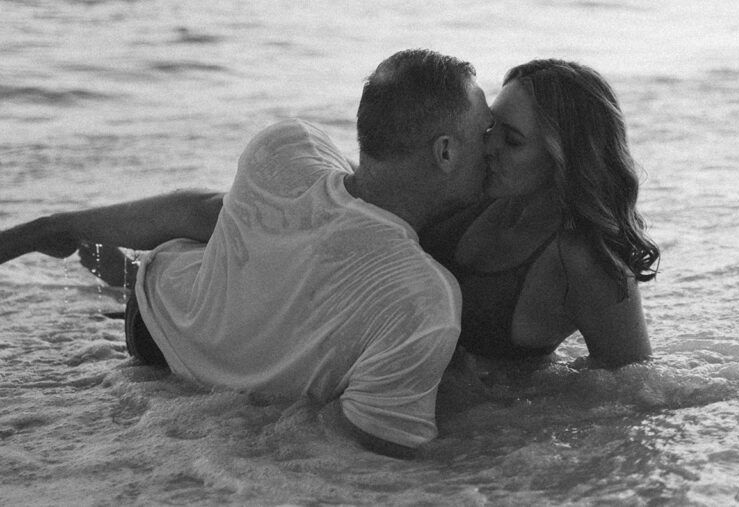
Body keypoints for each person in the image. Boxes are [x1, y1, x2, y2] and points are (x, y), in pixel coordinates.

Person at [0, 49, 493, 459]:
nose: (491, 151)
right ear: (445, 152)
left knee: (236, 224)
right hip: (190, 347)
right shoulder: (427, 300)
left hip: (153, 323)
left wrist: (55, 225)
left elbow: (202, 211)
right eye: (484, 136)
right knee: (241, 232)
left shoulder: (288, 147)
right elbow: (369, 447)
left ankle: (100, 257)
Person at [421, 59, 659, 369]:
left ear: (563, 158)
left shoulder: (583, 262)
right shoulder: (473, 188)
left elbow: (634, 385)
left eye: (512, 140)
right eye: (490, 126)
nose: (488, 146)